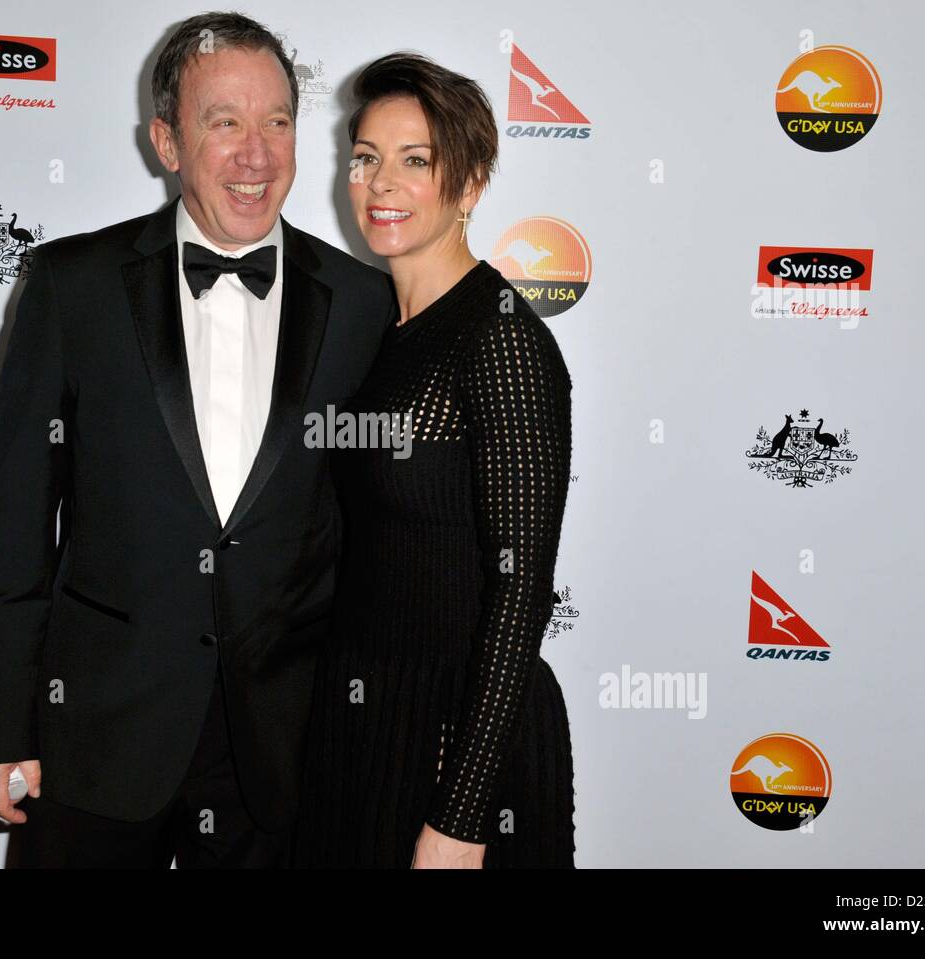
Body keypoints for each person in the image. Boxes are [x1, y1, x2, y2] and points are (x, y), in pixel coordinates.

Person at [0, 12, 396, 868]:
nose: (256, 154)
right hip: (96, 740)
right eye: (223, 122)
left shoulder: (363, 303)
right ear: (166, 139)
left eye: (276, 122)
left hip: (284, 752)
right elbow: (10, 528)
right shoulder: (72, 287)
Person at [293, 53, 576, 868]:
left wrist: (461, 814)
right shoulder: (375, 328)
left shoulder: (504, 343)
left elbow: (521, 592)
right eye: (367, 158)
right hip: (363, 719)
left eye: (417, 160)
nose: (382, 183)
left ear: (472, 182)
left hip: (458, 737)